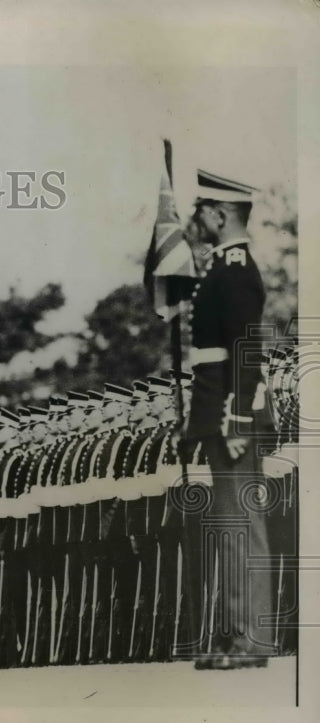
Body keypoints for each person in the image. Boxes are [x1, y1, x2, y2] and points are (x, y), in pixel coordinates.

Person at [181, 169, 272, 670]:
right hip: (216, 410)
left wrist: (237, 419)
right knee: (229, 523)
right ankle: (238, 634)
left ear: (220, 215)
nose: (196, 221)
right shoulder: (221, 267)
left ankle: (250, 638)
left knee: (239, 523)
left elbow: (245, 350)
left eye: (201, 213)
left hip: (229, 413)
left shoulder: (234, 270)